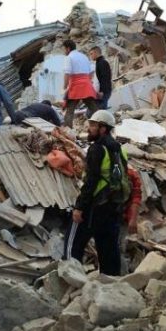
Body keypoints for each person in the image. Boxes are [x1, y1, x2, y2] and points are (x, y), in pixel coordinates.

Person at [63, 110, 129, 276]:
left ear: (103, 128)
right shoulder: (119, 149)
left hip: (95, 205)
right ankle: (111, 281)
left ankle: (71, 277)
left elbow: (91, 181)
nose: (89, 128)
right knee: (108, 248)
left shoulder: (97, 149)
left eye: (93, 125)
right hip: (113, 206)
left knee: (73, 242)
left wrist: (79, 207)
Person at [62, 40, 99, 128]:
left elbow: (67, 73)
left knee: (70, 110)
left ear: (68, 48)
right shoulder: (84, 56)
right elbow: (91, 72)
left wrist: (64, 86)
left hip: (75, 85)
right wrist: (88, 81)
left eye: (64, 49)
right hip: (86, 84)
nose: (64, 51)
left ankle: (68, 130)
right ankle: (103, 125)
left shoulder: (69, 57)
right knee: (94, 108)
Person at [120, 166, 142, 274]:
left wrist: (132, 219)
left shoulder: (131, 174)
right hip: (106, 217)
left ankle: (120, 277)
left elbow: (136, 198)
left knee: (118, 248)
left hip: (121, 218)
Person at [89, 46, 113, 110]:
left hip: (104, 91)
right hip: (103, 91)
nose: (90, 56)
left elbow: (105, 78)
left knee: (101, 110)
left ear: (96, 53)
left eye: (91, 54)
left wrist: (102, 91)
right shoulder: (99, 62)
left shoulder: (102, 63)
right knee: (100, 110)